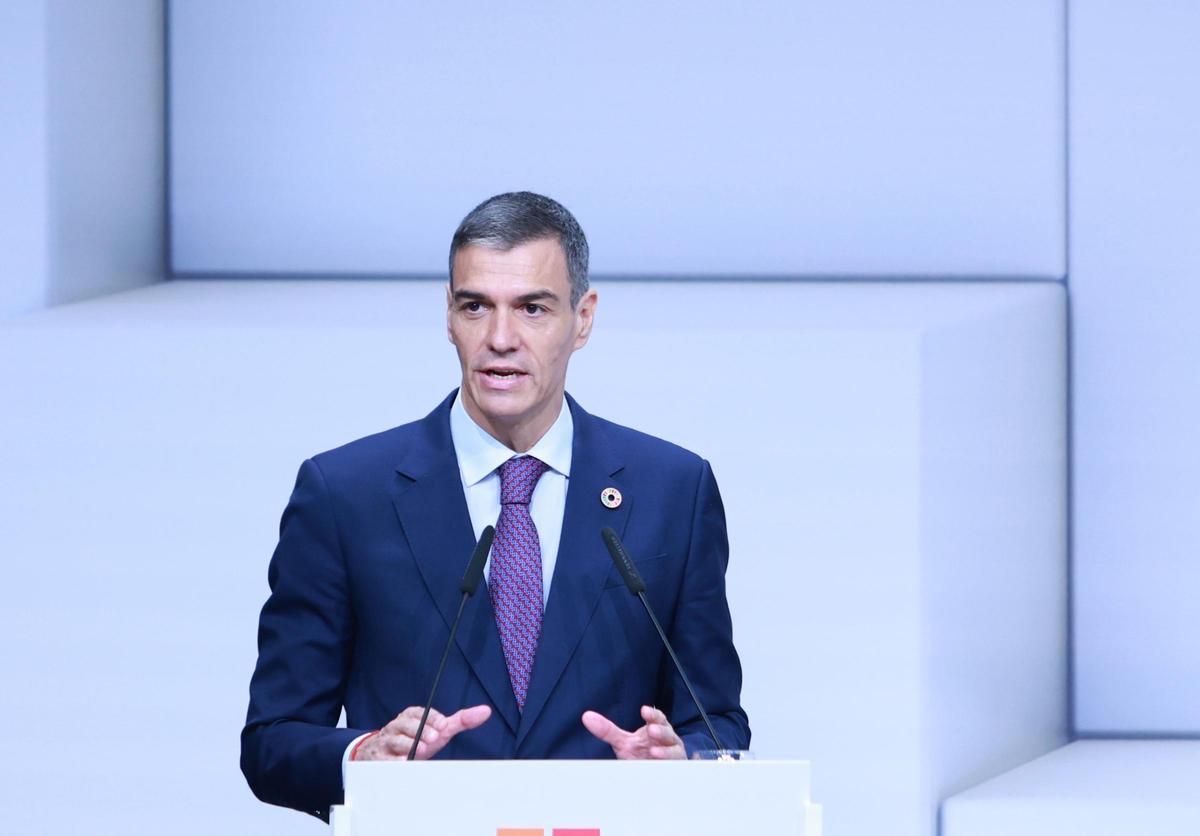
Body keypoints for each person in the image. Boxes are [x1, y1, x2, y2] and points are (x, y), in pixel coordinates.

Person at [240, 192, 749, 820]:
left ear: (582, 319)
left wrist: (684, 762)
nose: (500, 338)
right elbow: (272, 740)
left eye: (532, 308)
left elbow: (718, 724)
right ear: (449, 318)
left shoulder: (673, 488)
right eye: (475, 306)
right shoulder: (345, 494)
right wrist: (363, 754)